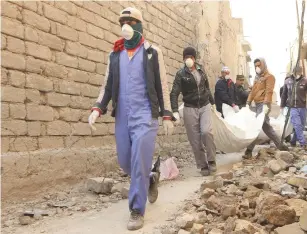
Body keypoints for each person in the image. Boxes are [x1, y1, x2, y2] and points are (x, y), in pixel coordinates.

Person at [88, 7, 174, 231]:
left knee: (138, 162)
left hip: (145, 115)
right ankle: (151, 179)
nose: (125, 25)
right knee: (126, 162)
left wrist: (167, 114)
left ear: (139, 24)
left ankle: (136, 209)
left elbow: (162, 84)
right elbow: (107, 85)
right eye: (122, 21)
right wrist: (98, 107)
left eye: (130, 21)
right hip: (123, 116)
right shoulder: (114, 54)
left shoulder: (152, 52)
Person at [170, 47, 216, 176]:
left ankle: (212, 160)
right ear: (183, 59)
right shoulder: (181, 74)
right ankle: (203, 165)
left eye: (190, 57)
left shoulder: (201, 70)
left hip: (204, 106)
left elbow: (206, 88)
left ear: (194, 58)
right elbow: (174, 93)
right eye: (186, 57)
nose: (188, 59)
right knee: (195, 140)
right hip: (190, 107)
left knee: (207, 132)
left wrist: (213, 103)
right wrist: (174, 110)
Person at [243, 58, 289, 159]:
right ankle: (281, 146)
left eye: (259, 65)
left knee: (257, 126)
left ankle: (249, 150)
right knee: (266, 128)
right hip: (257, 104)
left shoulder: (270, 77)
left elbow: (269, 91)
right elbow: (253, 91)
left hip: (264, 105)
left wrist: (265, 105)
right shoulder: (257, 78)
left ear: (263, 65)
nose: (257, 68)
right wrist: (248, 102)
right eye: (255, 66)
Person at [280, 66, 307, 149]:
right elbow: (284, 94)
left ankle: (293, 141)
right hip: (292, 107)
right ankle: (303, 143)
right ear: (294, 73)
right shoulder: (288, 81)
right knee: (297, 124)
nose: (298, 74)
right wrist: (282, 105)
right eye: (297, 73)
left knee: (301, 126)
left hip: (302, 106)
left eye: (300, 72)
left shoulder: (305, 81)